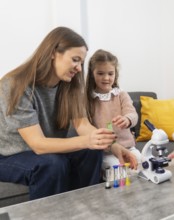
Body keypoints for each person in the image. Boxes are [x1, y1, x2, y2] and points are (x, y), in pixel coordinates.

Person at [0, 27, 137, 200]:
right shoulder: (15, 84)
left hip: (48, 151)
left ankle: (85, 208)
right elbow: (38, 144)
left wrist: (114, 146)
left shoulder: (71, 85)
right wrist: (87, 140)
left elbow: (83, 125)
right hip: (8, 155)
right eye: (75, 60)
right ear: (53, 53)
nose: (79, 68)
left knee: (92, 151)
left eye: (81, 62)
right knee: (52, 164)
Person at [85, 49, 141, 171]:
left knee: (140, 163)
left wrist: (127, 119)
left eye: (110, 74)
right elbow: (87, 127)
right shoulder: (88, 99)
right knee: (117, 170)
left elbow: (133, 114)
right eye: (100, 73)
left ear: (115, 74)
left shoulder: (121, 95)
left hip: (128, 147)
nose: (106, 78)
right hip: (105, 151)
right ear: (92, 74)